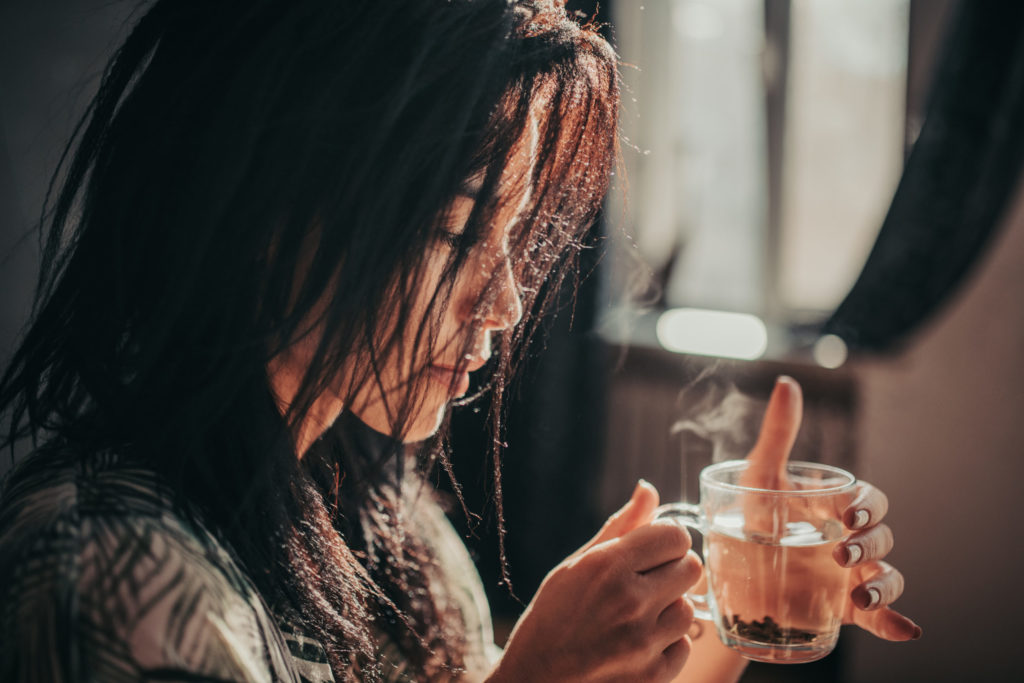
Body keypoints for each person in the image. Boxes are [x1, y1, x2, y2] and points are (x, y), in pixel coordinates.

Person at [0, 1, 920, 681]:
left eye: (516, 240)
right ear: (267, 213)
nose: (508, 302)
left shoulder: (388, 519)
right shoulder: (114, 575)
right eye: (453, 233)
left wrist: (738, 599)